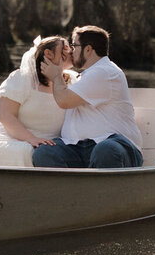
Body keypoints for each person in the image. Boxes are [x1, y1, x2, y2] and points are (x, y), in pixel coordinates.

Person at [32, 25, 144, 169]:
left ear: (88, 49)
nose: (71, 51)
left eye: (74, 46)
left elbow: (64, 100)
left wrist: (55, 75)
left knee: (105, 150)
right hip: (77, 148)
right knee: (44, 152)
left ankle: (101, 191)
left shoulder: (105, 72)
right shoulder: (84, 76)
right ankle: (66, 190)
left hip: (116, 145)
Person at [0, 36, 72, 167]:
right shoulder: (23, 78)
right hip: (17, 137)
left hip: (53, 145)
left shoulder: (73, 81)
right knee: (20, 152)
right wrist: (31, 139)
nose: (71, 51)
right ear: (48, 54)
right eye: (66, 48)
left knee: (46, 154)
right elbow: (6, 116)